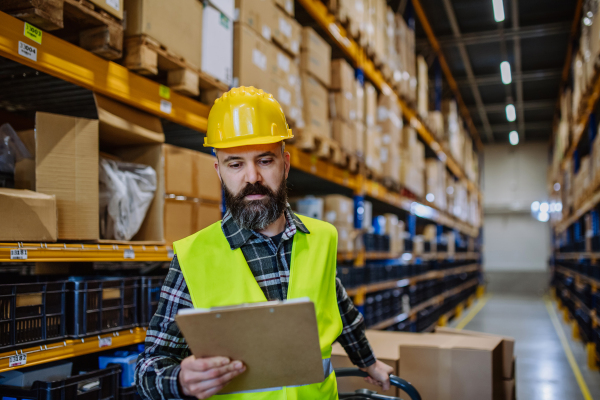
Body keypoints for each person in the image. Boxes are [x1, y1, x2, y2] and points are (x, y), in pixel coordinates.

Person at [135, 86, 393, 399]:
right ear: (220, 172)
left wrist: (369, 363)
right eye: (235, 164)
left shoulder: (322, 238)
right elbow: (149, 367)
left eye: (265, 160)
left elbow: (340, 310)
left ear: (285, 164)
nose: (252, 177)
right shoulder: (194, 257)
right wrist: (179, 380)